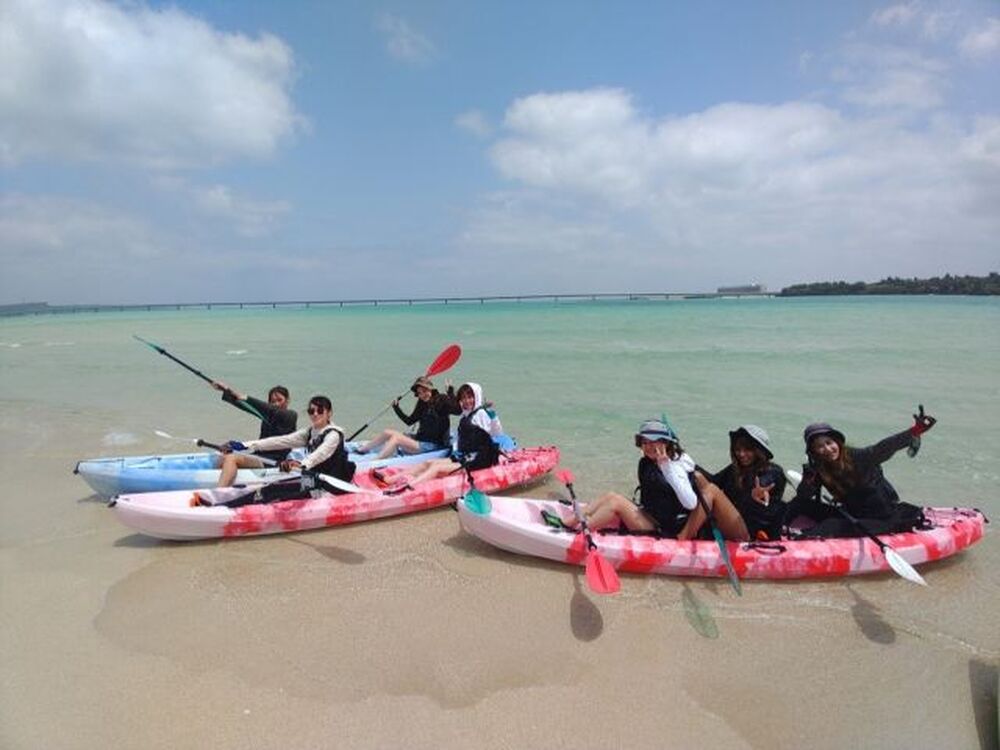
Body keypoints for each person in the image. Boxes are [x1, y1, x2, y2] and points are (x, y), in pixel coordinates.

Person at [578, 419, 749, 541]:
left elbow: (690, 503)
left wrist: (667, 467)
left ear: (665, 444)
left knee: (615, 503)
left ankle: (579, 533)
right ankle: (571, 521)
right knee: (611, 495)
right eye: (645, 442)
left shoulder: (675, 467)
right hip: (650, 516)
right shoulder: (646, 462)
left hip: (663, 528)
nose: (649, 447)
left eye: (655, 442)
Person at [783, 410, 936, 538]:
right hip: (851, 514)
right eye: (819, 446)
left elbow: (885, 447)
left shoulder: (859, 457)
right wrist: (808, 479)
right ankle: (775, 526)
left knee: (831, 525)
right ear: (813, 452)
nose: (827, 449)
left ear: (837, 443)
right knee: (799, 504)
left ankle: (800, 540)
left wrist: (915, 431)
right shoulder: (818, 468)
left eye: (829, 443)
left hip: (881, 519)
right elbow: (804, 496)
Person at [216, 395, 355, 491]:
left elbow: (320, 455)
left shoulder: (333, 435)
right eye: (311, 411)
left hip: (330, 481)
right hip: (312, 477)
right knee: (271, 490)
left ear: (329, 413)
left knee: (281, 492)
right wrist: (244, 445)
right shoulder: (308, 432)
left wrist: (300, 464)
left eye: (320, 410)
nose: (315, 414)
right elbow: (280, 441)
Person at [390, 382, 502, 487]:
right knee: (428, 463)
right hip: (463, 456)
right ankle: (390, 480)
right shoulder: (466, 414)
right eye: (463, 398)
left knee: (436, 468)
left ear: (477, 397)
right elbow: (456, 409)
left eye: (470, 397)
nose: (466, 401)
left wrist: (493, 418)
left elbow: (496, 433)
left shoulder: (481, 414)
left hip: (477, 461)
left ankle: (408, 487)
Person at [712, 425, 786, 541]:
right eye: (738, 449)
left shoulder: (773, 471)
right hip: (732, 523)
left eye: (747, 450)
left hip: (753, 532)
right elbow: (713, 481)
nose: (741, 454)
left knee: (710, 491)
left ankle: (683, 537)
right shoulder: (734, 470)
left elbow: (766, 481)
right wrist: (691, 466)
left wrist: (756, 493)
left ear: (758, 451)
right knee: (700, 479)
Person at [355, 376, 453, 460]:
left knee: (396, 439)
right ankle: (361, 450)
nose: (423, 395)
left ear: (430, 389)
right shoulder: (422, 404)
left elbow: (456, 410)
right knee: (387, 432)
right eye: (419, 393)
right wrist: (397, 408)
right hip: (420, 440)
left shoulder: (442, 402)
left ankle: (376, 461)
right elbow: (409, 421)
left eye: (425, 391)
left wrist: (450, 393)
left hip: (434, 445)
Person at [211, 380, 297, 462]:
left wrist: (246, 397)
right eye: (272, 401)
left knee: (231, 459)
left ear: (287, 400)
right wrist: (226, 391)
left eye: (279, 400)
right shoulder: (267, 416)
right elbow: (247, 406)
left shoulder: (291, 415)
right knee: (223, 456)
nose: (276, 404)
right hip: (260, 455)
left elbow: (269, 409)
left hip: (275, 460)